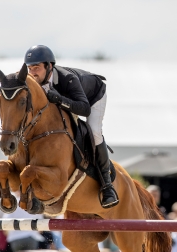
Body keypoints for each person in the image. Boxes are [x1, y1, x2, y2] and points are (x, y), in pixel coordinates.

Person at [24, 45, 118, 209]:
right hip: (68, 100)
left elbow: (84, 108)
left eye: (37, 68)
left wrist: (60, 99)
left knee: (94, 132)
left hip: (93, 97)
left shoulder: (68, 79)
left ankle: (107, 186)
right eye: (30, 68)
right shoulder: (33, 82)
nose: (32, 73)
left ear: (49, 66)